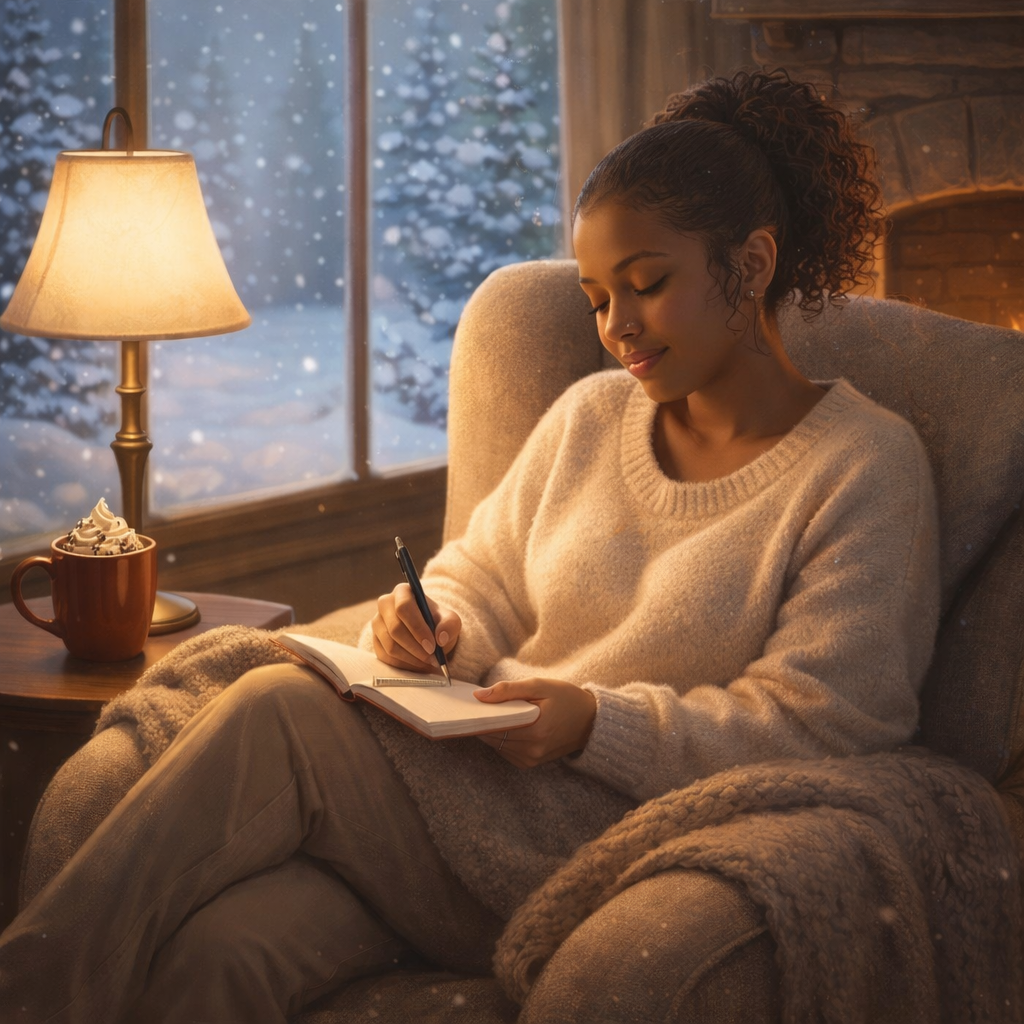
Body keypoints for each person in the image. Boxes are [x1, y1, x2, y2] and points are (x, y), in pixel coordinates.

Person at [0, 67, 940, 1023]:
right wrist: (431, 620)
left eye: (647, 286)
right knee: (217, 957)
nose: (616, 328)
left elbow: (829, 728)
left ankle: (22, 991)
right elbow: (480, 577)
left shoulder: (863, 467)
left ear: (751, 264)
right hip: (461, 817)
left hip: (612, 844)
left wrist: (593, 723)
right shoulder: (588, 418)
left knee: (280, 704)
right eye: (595, 297)